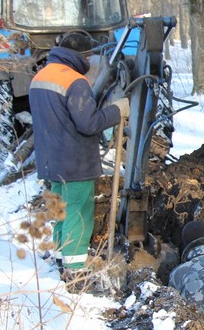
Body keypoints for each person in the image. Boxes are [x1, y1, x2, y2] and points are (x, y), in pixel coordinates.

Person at [29, 40, 130, 278]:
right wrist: (117, 110)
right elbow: (89, 123)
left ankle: (60, 254)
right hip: (74, 161)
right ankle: (75, 267)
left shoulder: (40, 77)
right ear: (79, 55)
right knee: (78, 209)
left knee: (60, 209)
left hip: (50, 160)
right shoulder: (74, 81)